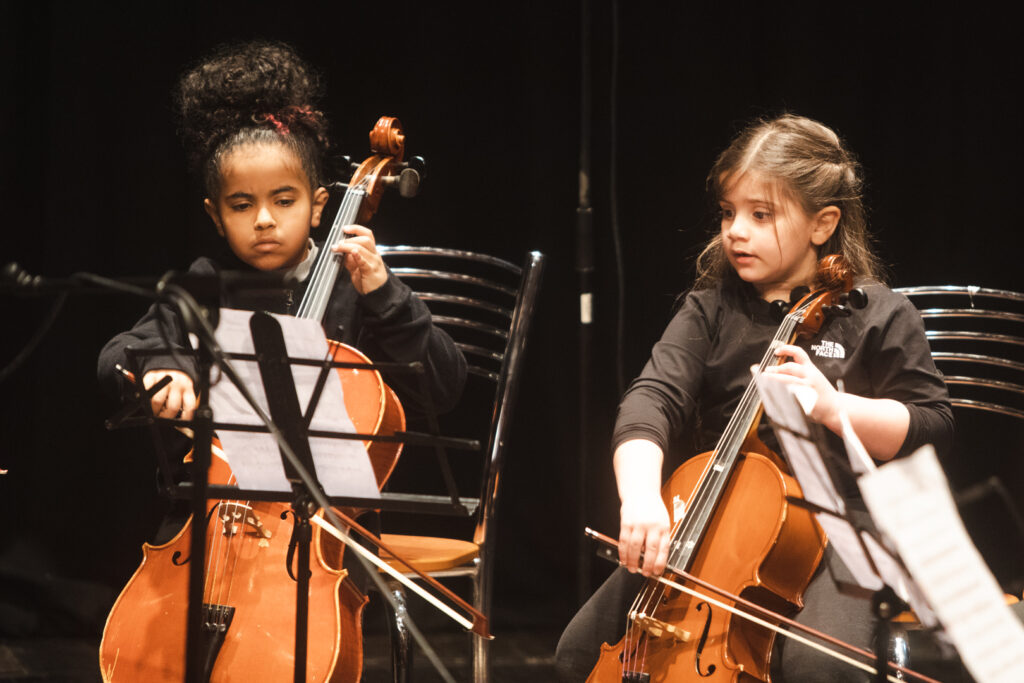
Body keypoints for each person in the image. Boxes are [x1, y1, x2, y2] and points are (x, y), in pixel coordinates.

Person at [555, 114, 953, 682]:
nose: (735, 231)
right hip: (721, 517)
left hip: (848, 524)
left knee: (817, 667)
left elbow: (930, 425)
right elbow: (651, 400)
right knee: (578, 653)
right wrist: (640, 497)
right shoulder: (711, 308)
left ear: (823, 224)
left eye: (760, 215)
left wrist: (833, 408)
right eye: (728, 212)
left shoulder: (878, 314)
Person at [97, 41, 466, 543]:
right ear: (215, 216)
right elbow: (119, 352)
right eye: (241, 205)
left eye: (284, 200)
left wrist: (387, 298)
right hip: (213, 528)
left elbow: (443, 389)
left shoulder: (356, 288)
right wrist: (163, 365)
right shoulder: (203, 287)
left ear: (318, 207)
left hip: (328, 535)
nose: (264, 219)